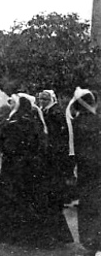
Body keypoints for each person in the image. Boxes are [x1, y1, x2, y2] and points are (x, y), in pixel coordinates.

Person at [0, 93, 72, 248]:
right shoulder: (33, 122)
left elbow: (7, 144)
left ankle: (11, 234)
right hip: (31, 167)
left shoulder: (16, 122)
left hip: (15, 167)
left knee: (14, 200)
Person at [67, 87, 101, 256]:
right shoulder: (97, 120)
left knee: (89, 206)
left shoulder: (77, 123)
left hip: (87, 170)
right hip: (95, 169)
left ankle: (92, 243)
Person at [38, 89, 74, 205]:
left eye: (45, 99)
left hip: (56, 148)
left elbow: (58, 132)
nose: (42, 101)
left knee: (56, 174)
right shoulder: (46, 111)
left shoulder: (55, 112)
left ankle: (60, 198)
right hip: (51, 147)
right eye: (41, 99)